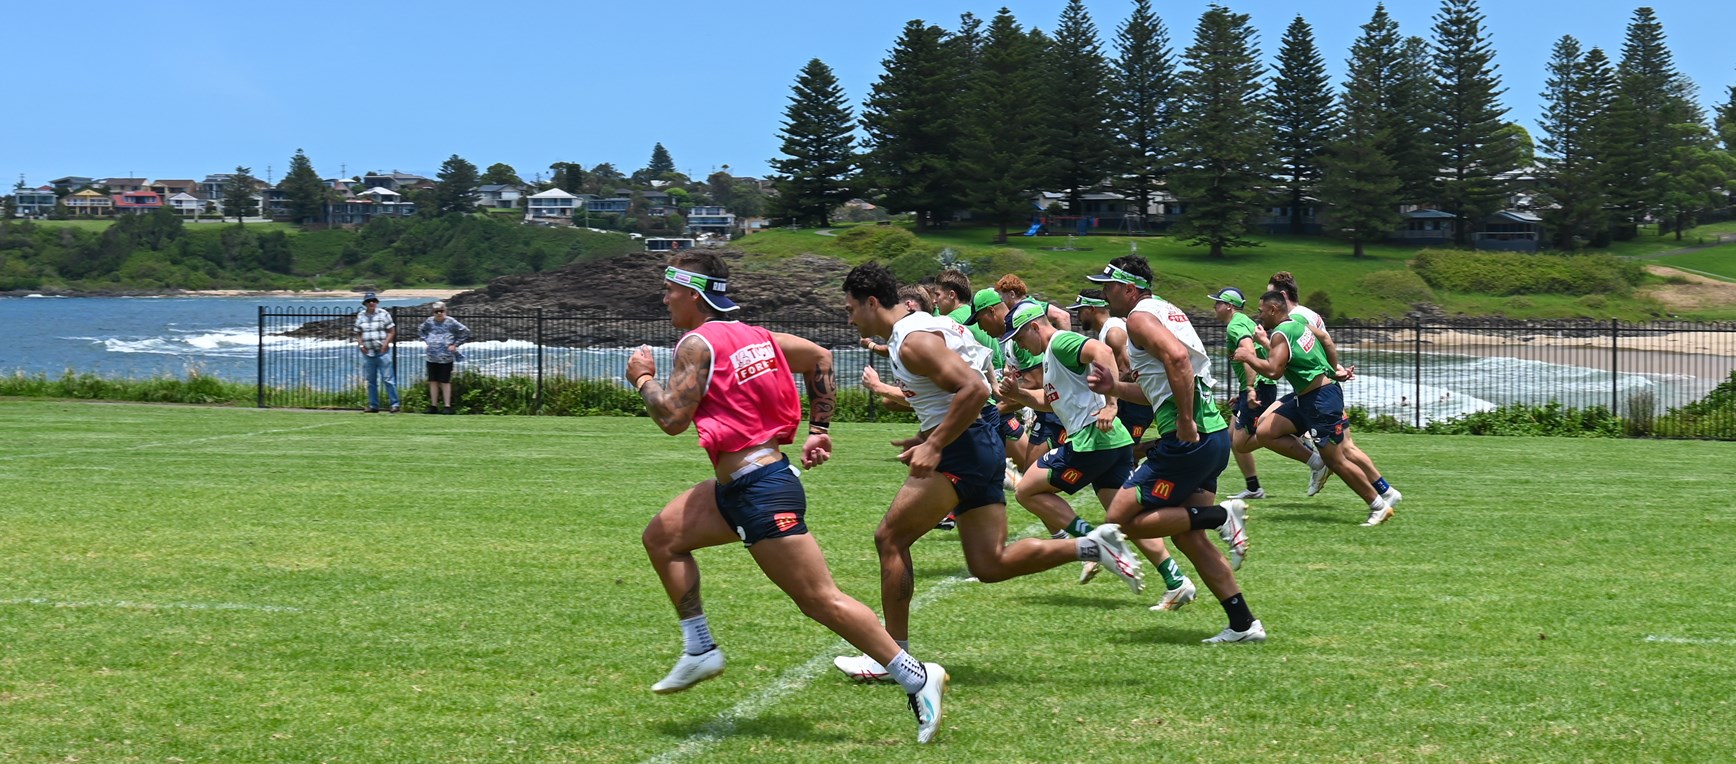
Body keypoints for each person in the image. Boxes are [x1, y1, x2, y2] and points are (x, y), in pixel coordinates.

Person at [626, 252, 949, 743]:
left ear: (692, 293)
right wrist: (819, 428)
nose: (665, 297)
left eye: (670, 289)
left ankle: (917, 676)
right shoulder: (757, 336)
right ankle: (699, 649)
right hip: (741, 486)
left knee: (820, 599)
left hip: (762, 490)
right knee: (662, 538)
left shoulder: (696, 343)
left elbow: (672, 418)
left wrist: (642, 378)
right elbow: (820, 357)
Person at [832, 262, 1142, 682]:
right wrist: (926, 434)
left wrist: (936, 443)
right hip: (979, 442)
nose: (850, 319)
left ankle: (892, 658)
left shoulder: (911, 340)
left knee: (890, 538)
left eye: (851, 309)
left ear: (872, 303)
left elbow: (974, 389)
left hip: (963, 448)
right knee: (989, 564)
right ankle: (1091, 546)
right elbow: (961, 386)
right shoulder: (926, 327)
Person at [1083, 255, 1265, 644]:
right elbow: (1157, 389)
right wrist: (1114, 389)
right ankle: (1243, 624)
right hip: (1211, 436)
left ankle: (1220, 515)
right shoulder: (1164, 310)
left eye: (1109, 286)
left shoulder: (1138, 318)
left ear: (1129, 288)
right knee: (1188, 536)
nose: (1104, 294)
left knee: (1120, 519)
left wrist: (1184, 420)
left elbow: (1179, 360)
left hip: (1188, 439)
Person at [996, 301, 1201, 612]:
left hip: (1092, 440)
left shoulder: (1060, 342)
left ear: (1035, 327)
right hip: (1113, 441)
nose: (1020, 346)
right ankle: (1176, 580)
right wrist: (1019, 395)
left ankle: (1093, 542)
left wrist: (1111, 403)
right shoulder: (1051, 356)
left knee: (1026, 490)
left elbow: (1101, 351)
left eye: (1020, 337)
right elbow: (1052, 402)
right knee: (1125, 519)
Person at [1235, 290, 1398, 527]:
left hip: (1320, 401)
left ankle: (1378, 505)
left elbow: (1273, 371)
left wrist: (1247, 357)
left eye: (1261, 311)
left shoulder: (1281, 333)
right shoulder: (1299, 325)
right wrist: (1333, 371)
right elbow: (1326, 341)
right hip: (1308, 398)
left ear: (1273, 309)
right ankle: (1316, 463)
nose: (1259, 316)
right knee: (1266, 431)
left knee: (1337, 460)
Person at [1212, 287, 1285, 500]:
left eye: (1218, 302)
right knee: (1231, 437)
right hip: (1256, 386)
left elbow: (1248, 352)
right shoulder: (1243, 321)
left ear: (1229, 306)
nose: (1214, 306)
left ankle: (1294, 432)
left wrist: (1251, 388)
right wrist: (1243, 390)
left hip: (1259, 387)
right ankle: (1253, 488)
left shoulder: (1235, 325)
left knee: (1241, 442)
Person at [417, 302, 471, 415]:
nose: (439, 313)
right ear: (433, 312)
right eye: (436, 311)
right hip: (432, 357)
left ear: (445, 311)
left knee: (445, 381)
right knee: (433, 381)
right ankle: (433, 406)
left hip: (445, 357)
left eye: (441, 311)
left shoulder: (451, 322)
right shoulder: (429, 321)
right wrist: (426, 340)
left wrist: (455, 345)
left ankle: (447, 406)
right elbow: (421, 329)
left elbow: (465, 331)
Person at [354, 293, 399, 413]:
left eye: (373, 301)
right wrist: (361, 345)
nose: (371, 303)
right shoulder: (361, 316)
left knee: (388, 379)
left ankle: (394, 404)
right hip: (368, 353)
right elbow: (358, 332)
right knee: (371, 381)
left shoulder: (384, 314)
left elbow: (391, 331)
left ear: (377, 302)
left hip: (382, 352)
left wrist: (385, 344)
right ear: (365, 303)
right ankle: (373, 405)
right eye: (369, 301)